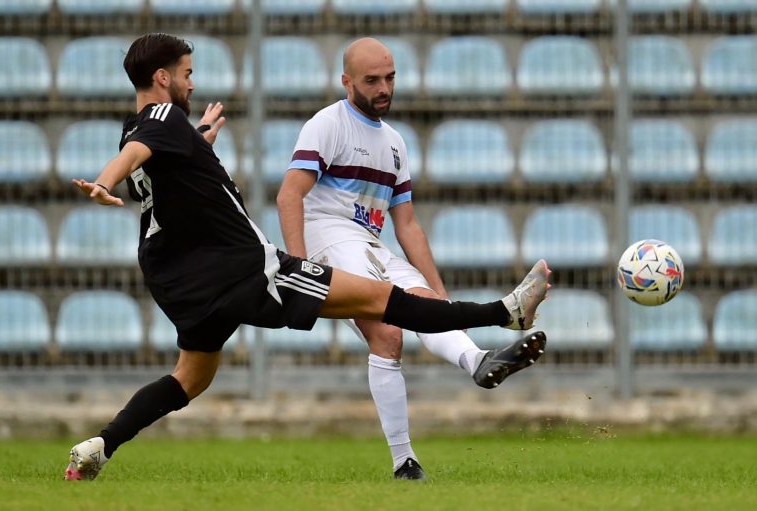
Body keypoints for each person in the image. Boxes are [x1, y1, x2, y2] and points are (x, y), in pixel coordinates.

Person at [63, 33, 550, 482]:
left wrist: (201, 141)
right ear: (163, 78)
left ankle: (101, 445)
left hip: (178, 281)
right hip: (241, 269)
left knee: (189, 379)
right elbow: (136, 152)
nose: (192, 83)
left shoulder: (154, 128)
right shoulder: (162, 120)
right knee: (385, 302)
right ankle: (502, 313)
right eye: (187, 74)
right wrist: (104, 181)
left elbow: (158, 164)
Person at [276, 37, 551, 480]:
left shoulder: (395, 143)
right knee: (388, 333)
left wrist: (443, 302)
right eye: (372, 80)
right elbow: (290, 195)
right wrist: (301, 269)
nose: (383, 88)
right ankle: (404, 459)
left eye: (389, 78)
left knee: (419, 308)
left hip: (369, 242)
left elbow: (407, 225)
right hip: (328, 235)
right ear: (346, 82)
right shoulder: (326, 124)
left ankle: (478, 363)